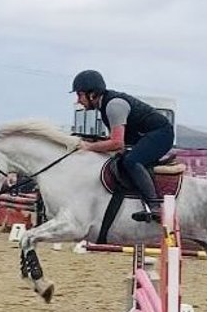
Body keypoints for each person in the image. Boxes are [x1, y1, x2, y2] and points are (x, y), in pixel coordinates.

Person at [72, 69, 175, 222]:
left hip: (161, 134)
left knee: (131, 161)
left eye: (79, 95)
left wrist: (87, 147)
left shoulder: (113, 106)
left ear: (92, 94)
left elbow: (116, 143)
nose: (78, 100)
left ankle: (154, 206)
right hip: (148, 135)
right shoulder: (105, 106)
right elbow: (115, 143)